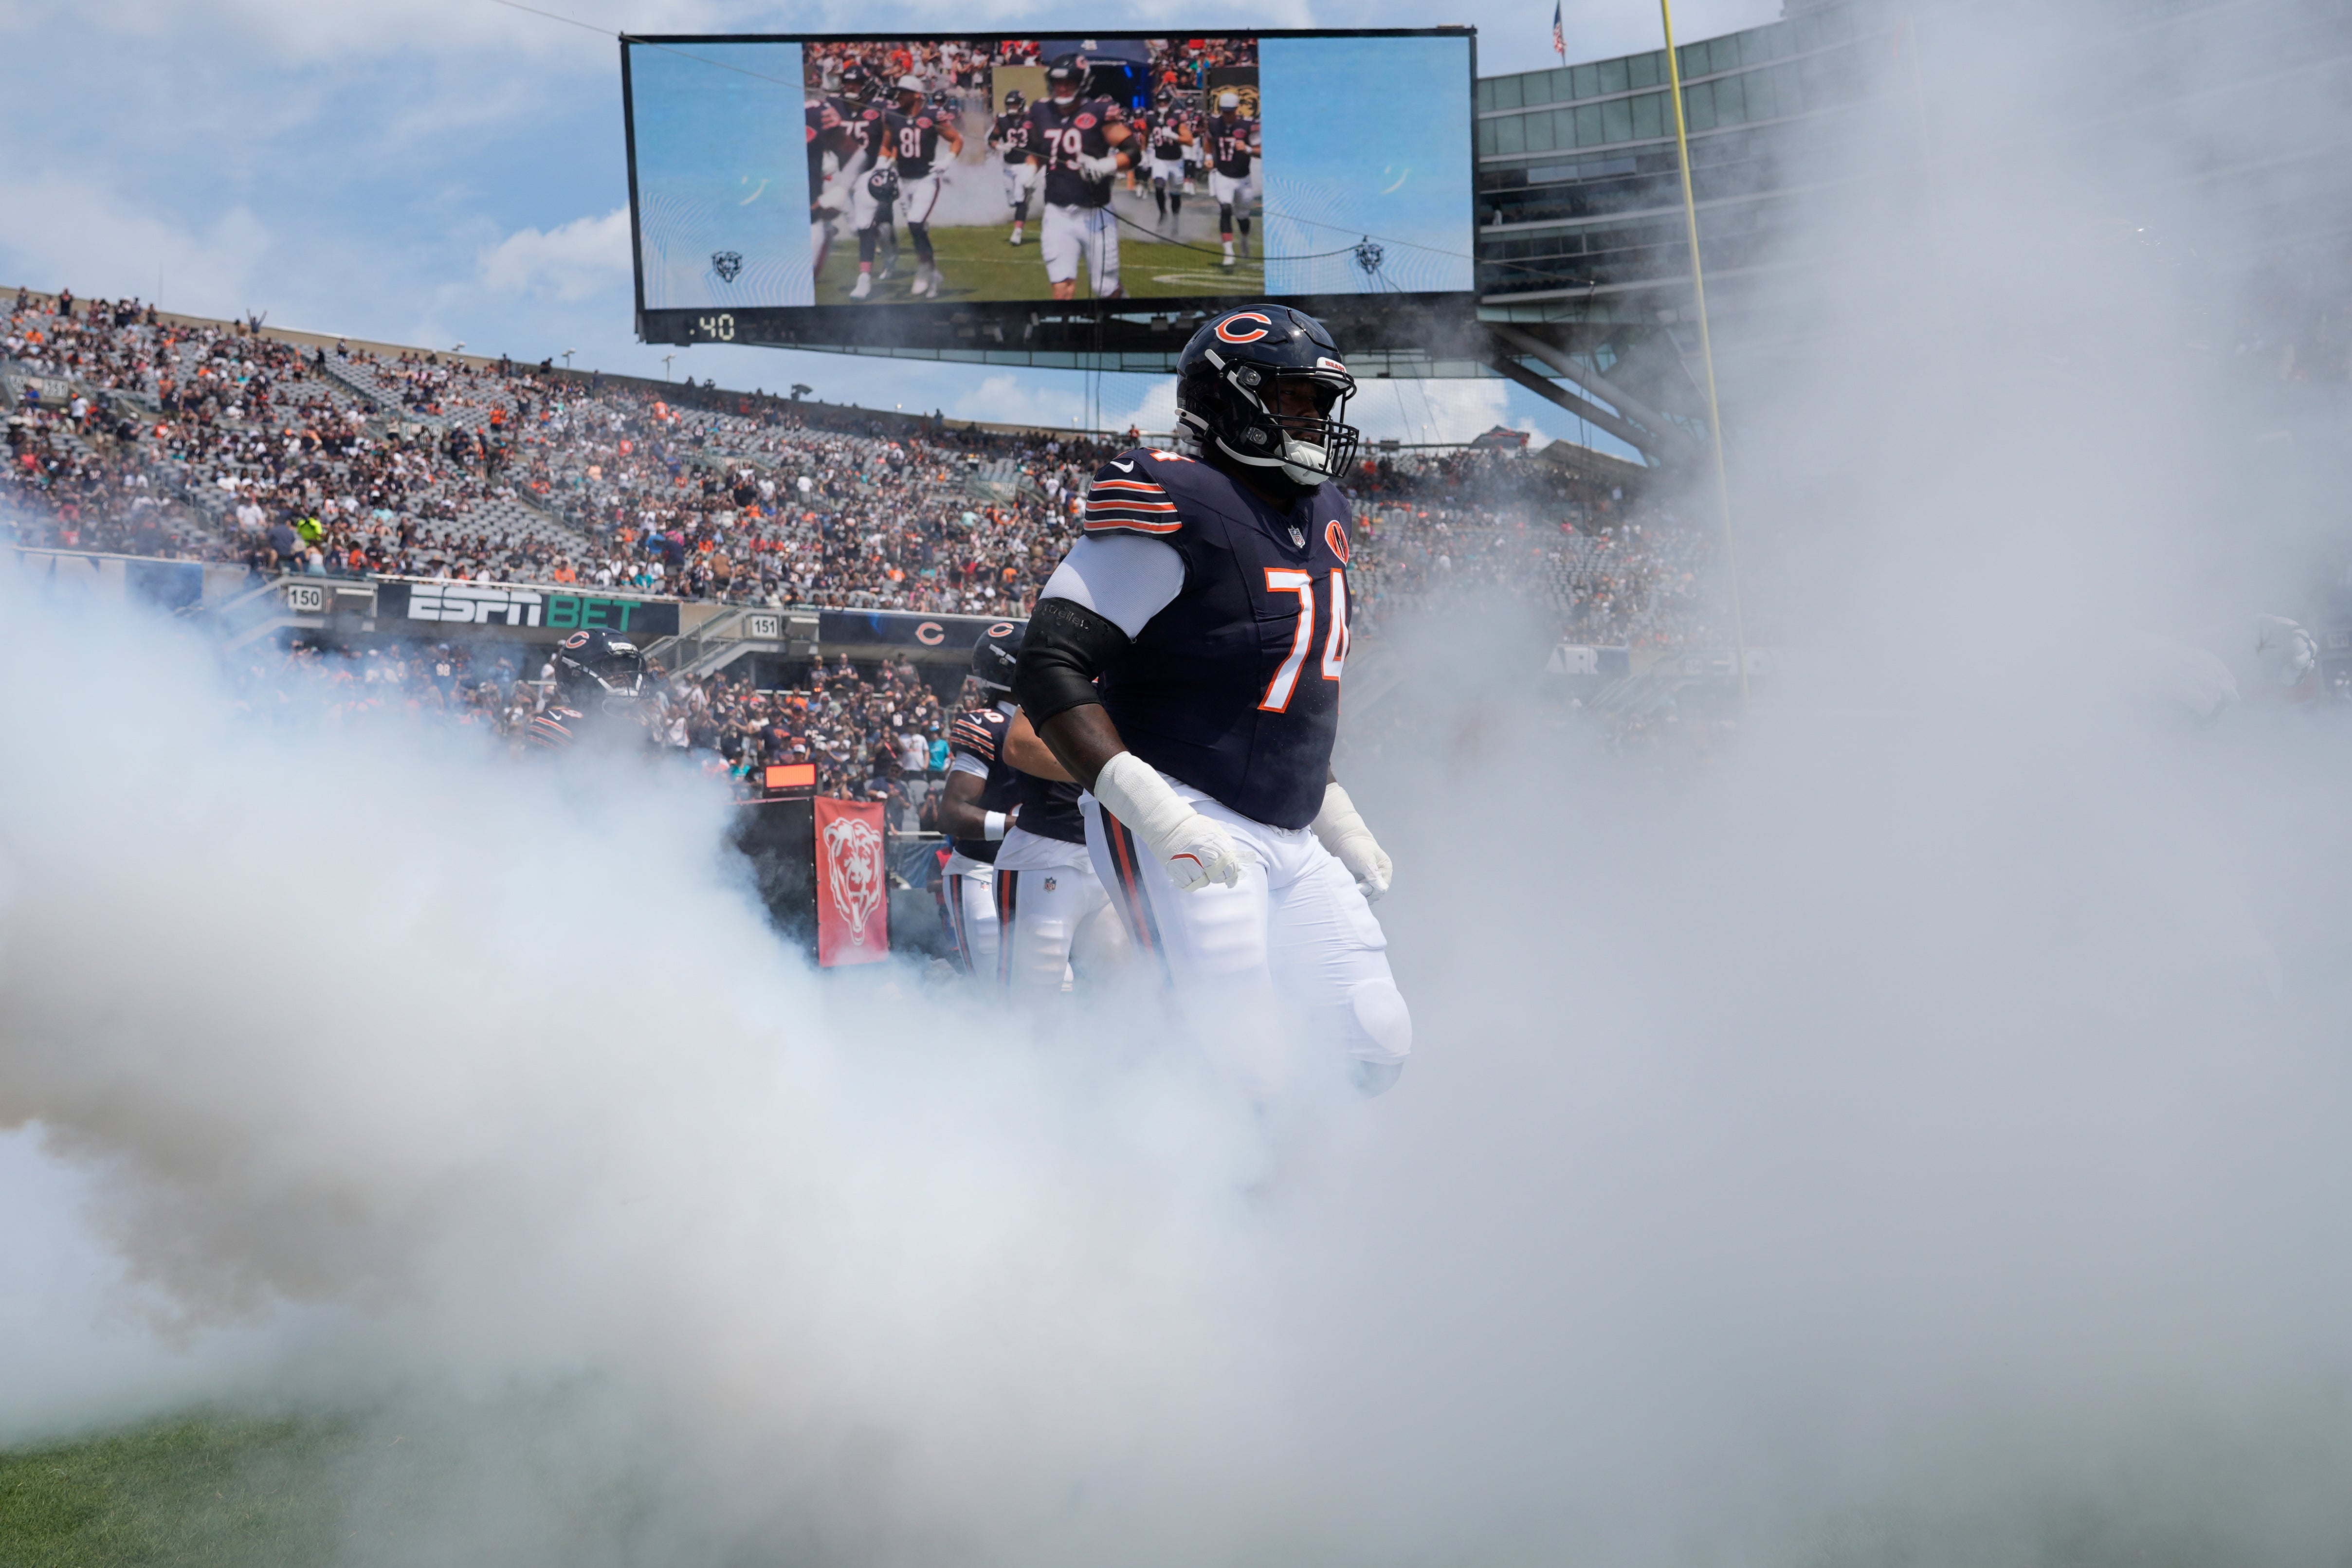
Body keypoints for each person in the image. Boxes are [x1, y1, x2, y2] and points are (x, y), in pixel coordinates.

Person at [1011, 304, 1409, 1095]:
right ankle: (1154, 1196)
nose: (1314, 419)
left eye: (1321, 403)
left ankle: (1322, 1195)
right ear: (1231, 397)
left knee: (1371, 1032)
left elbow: (1271, 695)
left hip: (1289, 825)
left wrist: (1338, 814)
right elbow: (1051, 664)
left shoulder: (1322, 511)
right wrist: (1158, 816)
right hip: (1182, 799)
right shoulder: (1171, 494)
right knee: (1238, 1056)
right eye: (1296, 398)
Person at [933, 625, 1024, 974]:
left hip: (1043, 869)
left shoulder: (1053, 724)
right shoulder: (990, 726)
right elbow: (951, 816)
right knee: (995, 985)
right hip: (984, 870)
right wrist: (1025, 826)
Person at [1024, 61, 1134, 301]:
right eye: (1057, 82)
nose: (1062, 88)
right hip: (1057, 213)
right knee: (1061, 288)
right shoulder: (1041, 111)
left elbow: (1133, 150)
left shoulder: (1098, 111)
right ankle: (1066, 338)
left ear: (1082, 83)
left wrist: (1107, 165)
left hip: (1096, 214)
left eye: (1069, 82)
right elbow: (1035, 148)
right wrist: (1030, 170)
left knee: (1106, 289)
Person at [527, 627, 657, 751]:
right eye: (611, 670)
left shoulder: (637, 729)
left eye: (627, 669)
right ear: (577, 677)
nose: (624, 677)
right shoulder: (562, 723)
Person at [1204, 91, 1259, 268]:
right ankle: (1228, 252)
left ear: (1237, 109)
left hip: (1243, 178)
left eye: (1230, 111)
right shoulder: (1214, 123)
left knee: (1243, 217)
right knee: (1226, 209)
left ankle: (1244, 241)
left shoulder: (1249, 125)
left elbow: (1261, 151)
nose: (1227, 115)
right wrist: (1207, 156)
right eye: (1224, 111)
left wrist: (1248, 149)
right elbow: (1208, 139)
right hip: (1223, 175)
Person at [988, 88, 1038, 246]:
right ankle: (1026, 197)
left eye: (1016, 105)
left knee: (1019, 198)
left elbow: (1040, 140)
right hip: (1008, 165)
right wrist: (1000, 147)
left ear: (1022, 104)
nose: (1012, 108)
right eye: (1010, 105)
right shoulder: (1002, 120)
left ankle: (1017, 232)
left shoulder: (1031, 119)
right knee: (1013, 202)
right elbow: (992, 139)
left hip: (1025, 165)